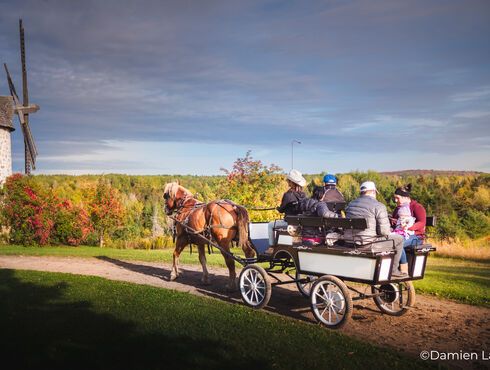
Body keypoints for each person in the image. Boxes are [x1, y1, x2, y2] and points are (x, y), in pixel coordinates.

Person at [345, 181, 407, 278]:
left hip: (350, 242)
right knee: (399, 239)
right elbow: (384, 232)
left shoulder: (351, 205)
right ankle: (393, 270)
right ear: (373, 192)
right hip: (367, 244)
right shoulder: (379, 206)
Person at [391, 184, 426, 274]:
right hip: (401, 234)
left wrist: (409, 227)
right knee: (390, 241)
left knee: (397, 243)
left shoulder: (417, 207)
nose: (396, 201)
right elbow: (395, 222)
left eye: (397, 198)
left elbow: (422, 222)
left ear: (405, 197)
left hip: (416, 236)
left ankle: (404, 269)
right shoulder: (397, 209)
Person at [267, 169, 307, 248]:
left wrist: (277, 208)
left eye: (288, 180)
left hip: (288, 223)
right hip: (300, 223)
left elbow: (281, 210)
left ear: (292, 182)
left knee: (270, 225)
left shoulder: (287, 195)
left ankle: (271, 247)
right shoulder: (304, 195)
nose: (287, 181)